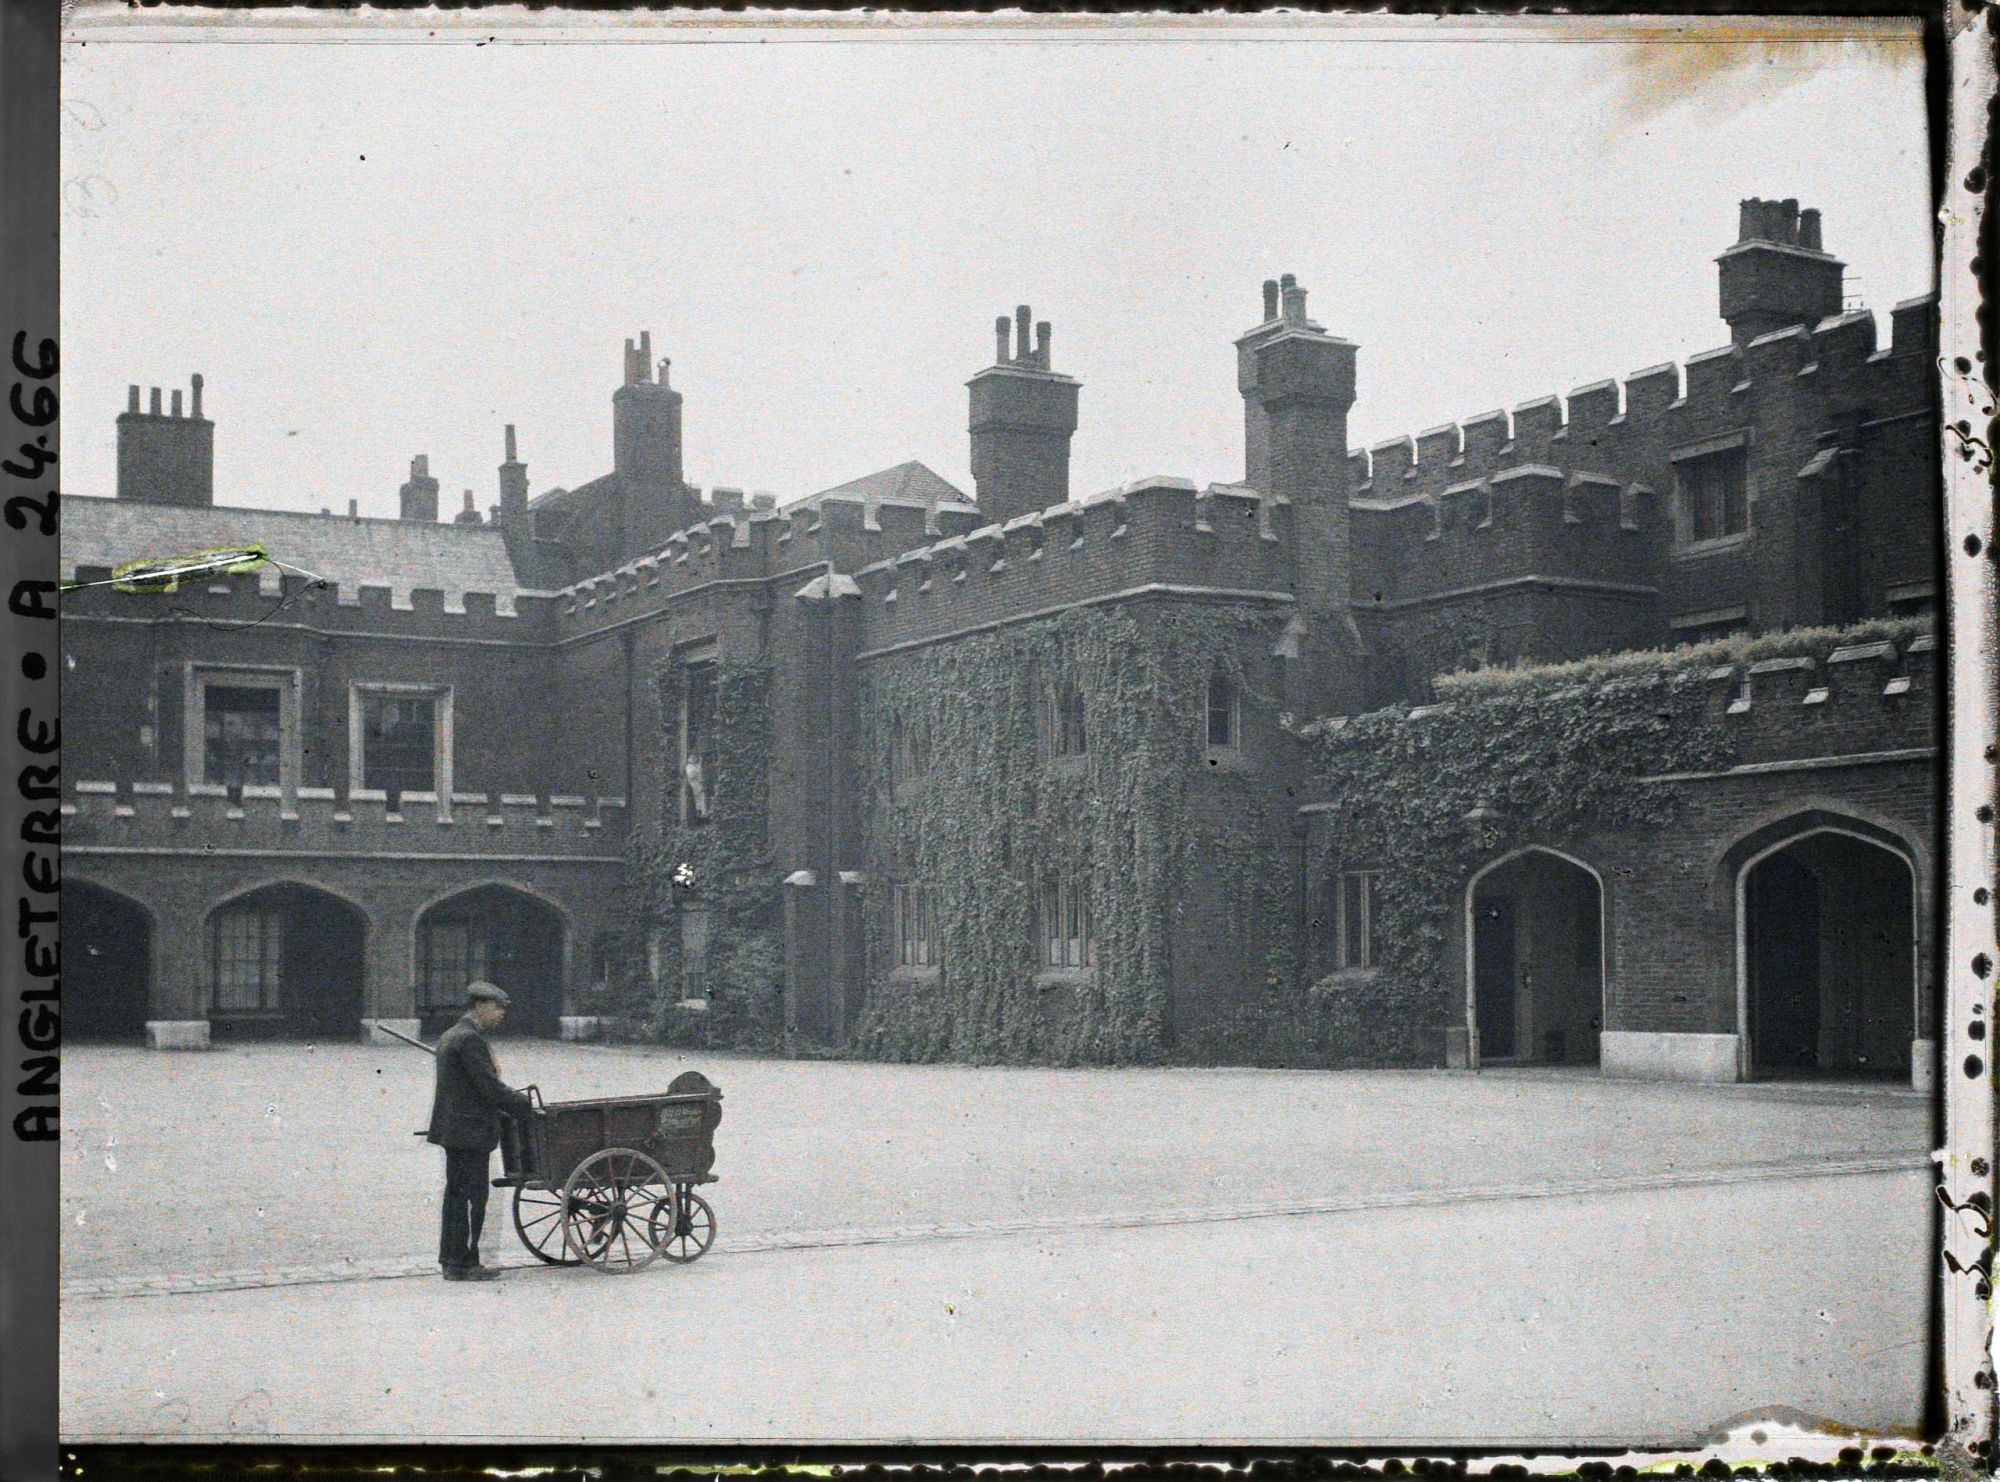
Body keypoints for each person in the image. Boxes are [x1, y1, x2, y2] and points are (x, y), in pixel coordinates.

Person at [426, 981, 534, 1281]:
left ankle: (452, 1261)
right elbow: (488, 1086)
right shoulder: (470, 1039)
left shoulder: (451, 1035)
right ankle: (467, 1264)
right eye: (497, 1009)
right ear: (480, 1006)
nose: (501, 1015)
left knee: (456, 1196)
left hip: (456, 1130)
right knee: (473, 1197)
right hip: (470, 1132)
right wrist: (523, 1104)